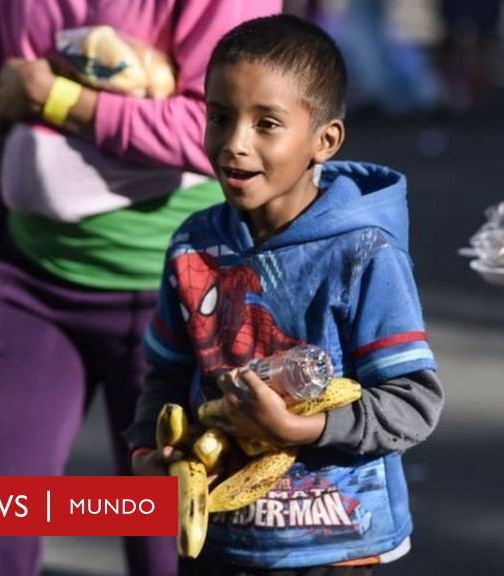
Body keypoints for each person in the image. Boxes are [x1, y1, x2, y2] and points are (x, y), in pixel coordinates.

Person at [0, 1, 280, 575]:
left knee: (175, 551)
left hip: (185, 304)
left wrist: (62, 101)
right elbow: (8, 92)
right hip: (29, 283)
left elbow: (225, 127)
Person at [127, 14, 445, 575]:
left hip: (337, 549)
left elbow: (413, 403)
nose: (233, 144)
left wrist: (303, 429)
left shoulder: (364, 254)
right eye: (220, 117)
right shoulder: (192, 245)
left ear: (324, 140)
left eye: (266, 123)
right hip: (217, 543)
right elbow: (165, 375)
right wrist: (147, 454)